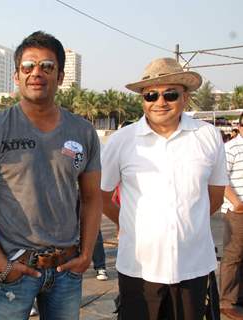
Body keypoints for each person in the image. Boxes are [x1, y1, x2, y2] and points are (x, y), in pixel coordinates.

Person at [0, 31, 102, 319]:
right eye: (28, 66)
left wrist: (86, 254)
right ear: (16, 76)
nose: (36, 73)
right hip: (15, 269)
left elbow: (91, 198)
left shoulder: (83, 132)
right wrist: (1, 264)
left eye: (47, 66)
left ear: (61, 76)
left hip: (67, 269)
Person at [101, 57, 228, 319]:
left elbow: (214, 197)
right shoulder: (121, 141)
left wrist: (186, 224)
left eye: (170, 94)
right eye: (151, 95)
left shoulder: (208, 136)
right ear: (142, 100)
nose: (160, 102)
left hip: (193, 265)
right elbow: (102, 196)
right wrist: (130, 223)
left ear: (185, 97)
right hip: (139, 268)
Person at [220, 112, 243, 319]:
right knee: (233, 256)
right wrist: (237, 203)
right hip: (237, 212)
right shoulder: (231, 148)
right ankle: (227, 301)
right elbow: (220, 178)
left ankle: (239, 297)